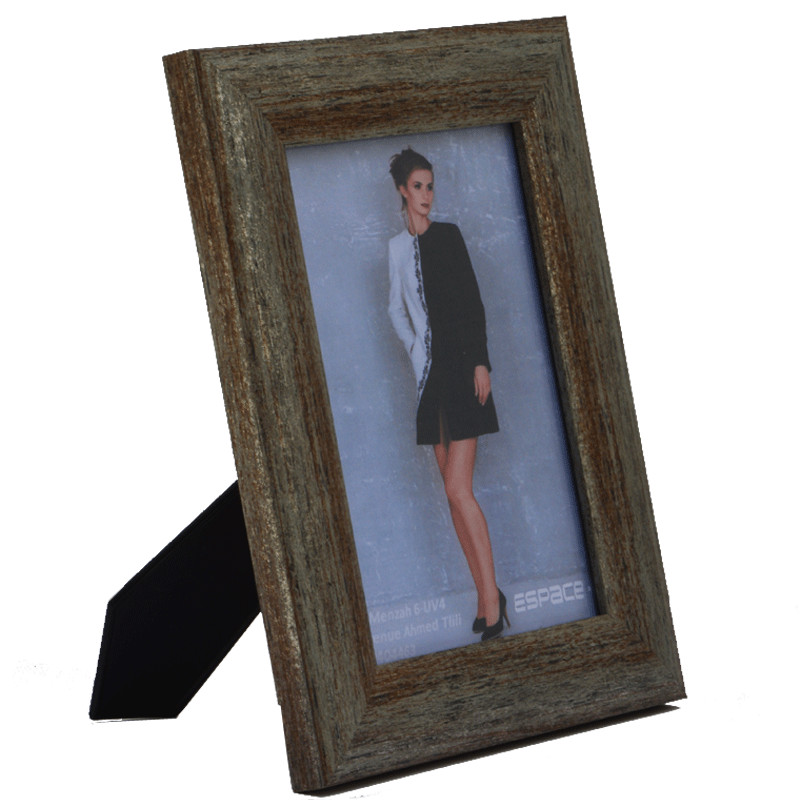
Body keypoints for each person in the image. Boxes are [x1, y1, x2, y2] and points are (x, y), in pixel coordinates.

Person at [387, 147, 509, 641]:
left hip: (462, 371)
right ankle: (485, 597)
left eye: (430, 186)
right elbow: (394, 308)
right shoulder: (397, 249)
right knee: (451, 495)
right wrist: (415, 348)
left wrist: (480, 361)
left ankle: (492, 603)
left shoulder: (449, 236)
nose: (426, 195)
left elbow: (471, 301)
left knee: (460, 489)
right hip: (430, 379)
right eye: (418, 186)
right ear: (402, 191)